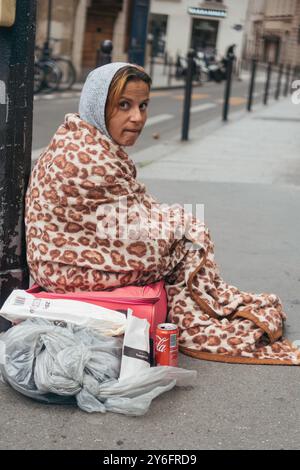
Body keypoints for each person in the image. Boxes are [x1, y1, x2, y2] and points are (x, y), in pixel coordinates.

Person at [25, 62, 300, 366]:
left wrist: (171, 222)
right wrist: (181, 228)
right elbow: (139, 238)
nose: (137, 117)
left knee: (180, 225)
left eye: (143, 106)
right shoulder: (92, 161)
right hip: (66, 268)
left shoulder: (80, 137)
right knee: (187, 239)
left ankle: (208, 301)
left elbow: (126, 213)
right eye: (124, 105)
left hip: (61, 255)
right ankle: (205, 316)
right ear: (96, 104)